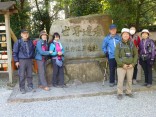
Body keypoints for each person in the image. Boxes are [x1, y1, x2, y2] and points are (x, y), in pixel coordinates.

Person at [115, 28, 138, 100]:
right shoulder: (119, 44)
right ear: (122, 35)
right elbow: (116, 56)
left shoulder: (132, 44)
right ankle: (119, 93)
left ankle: (128, 92)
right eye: (124, 34)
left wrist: (133, 64)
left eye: (127, 34)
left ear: (129, 35)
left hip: (130, 65)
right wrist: (122, 64)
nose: (126, 35)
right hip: (121, 66)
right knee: (120, 80)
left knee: (129, 80)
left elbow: (136, 54)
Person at [13, 29, 35, 94]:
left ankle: (30, 86)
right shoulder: (18, 42)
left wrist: (33, 58)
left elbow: (33, 51)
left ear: (28, 34)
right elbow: (14, 52)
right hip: (21, 60)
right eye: (24, 33)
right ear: (21, 35)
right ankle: (22, 88)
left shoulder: (30, 42)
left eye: (27, 33)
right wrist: (16, 61)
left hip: (29, 60)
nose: (25, 35)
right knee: (22, 75)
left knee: (30, 74)